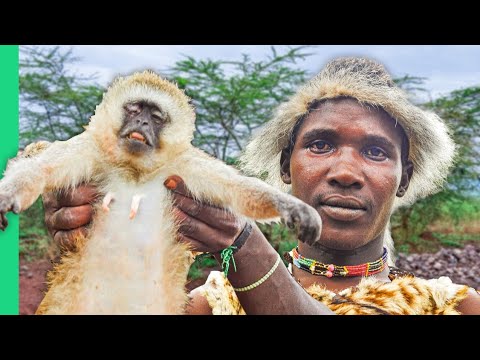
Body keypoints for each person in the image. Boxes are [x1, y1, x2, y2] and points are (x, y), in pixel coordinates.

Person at [42, 57, 480, 314]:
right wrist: (94, 256)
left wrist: (247, 248)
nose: (346, 172)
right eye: (321, 144)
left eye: (377, 152)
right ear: (285, 168)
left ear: (404, 178)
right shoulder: (210, 305)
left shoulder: (450, 306)